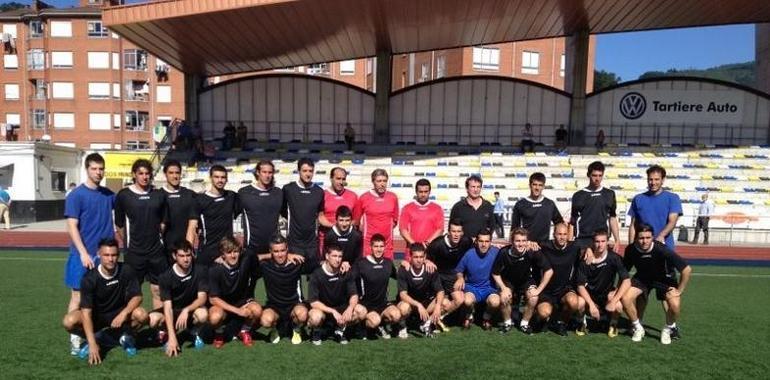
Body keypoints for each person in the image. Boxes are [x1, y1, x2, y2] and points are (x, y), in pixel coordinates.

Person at [62, 239, 148, 365]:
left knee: (142, 315)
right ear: (99, 254)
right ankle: (93, 339)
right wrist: (92, 344)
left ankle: (127, 336)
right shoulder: (89, 279)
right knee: (68, 321)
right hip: (97, 316)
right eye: (106, 255)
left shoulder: (126, 270)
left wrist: (124, 313)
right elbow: (86, 313)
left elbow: (137, 297)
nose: (110, 259)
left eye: (114, 255)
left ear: (118, 255)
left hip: (119, 314)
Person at [64, 153, 116, 355]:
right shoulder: (76, 195)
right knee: (77, 297)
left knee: (104, 296)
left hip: (105, 256)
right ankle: (75, 337)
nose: (98, 172)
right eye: (94, 168)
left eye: (101, 168)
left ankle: (102, 333)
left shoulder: (108, 195)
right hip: (81, 257)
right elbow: (72, 226)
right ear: (87, 169)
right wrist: (84, 253)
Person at [621, 224, 692, 344]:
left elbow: (686, 270)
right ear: (636, 238)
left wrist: (679, 290)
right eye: (641, 238)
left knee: (675, 305)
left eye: (648, 238)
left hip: (664, 279)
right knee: (626, 298)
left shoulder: (661, 249)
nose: (644, 241)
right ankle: (638, 327)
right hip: (643, 278)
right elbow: (624, 270)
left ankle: (667, 329)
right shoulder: (631, 249)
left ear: (653, 237)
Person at [114, 159, 168, 310]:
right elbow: (119, 224)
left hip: (156, 253)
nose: (144, 177)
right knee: (132, 293)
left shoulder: (159, 195)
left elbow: (163, 222)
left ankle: (160, 330)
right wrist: (130, 242)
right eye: (141, 173)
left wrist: (155, 237)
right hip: (134, 253)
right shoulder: (124, 195)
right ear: (134, 175)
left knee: (158, 290)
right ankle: (129, 330)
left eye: (147, 174)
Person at [148, 240, 209, 356]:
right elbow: (167, 308)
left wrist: (186, 310)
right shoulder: (165, 277)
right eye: (181, 256)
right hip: (173, 311)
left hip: (190, 310)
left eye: (188, 255)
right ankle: (167, 333)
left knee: (203, 315)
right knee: (152, 319)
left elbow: (202, 298)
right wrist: (172, 337)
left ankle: (193, 332)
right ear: (174, 256)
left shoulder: (200, 270)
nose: (186, 259)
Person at [492, 228, 553, 334]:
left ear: (527, 241)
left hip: (526, 281)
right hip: (509, 281)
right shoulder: (504, 252)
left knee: (534, 298)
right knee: (504, 297)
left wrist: (538, 290)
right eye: (517, 241)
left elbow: (549, 271)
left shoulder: (532, 251)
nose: (521, 244)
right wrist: (503, 287)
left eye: (524, 241)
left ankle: (524, 323)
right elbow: (495, 273)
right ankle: (507, 322)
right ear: (511, 241)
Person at [207, 236, 262, 348]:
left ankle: (244, 331)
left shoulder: (246, 260)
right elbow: (213, 299)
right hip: (222, 304)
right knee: (214, 317)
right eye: (229, 252)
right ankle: (219, 333)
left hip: (242, 301)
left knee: (257, 310)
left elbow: (252, 254)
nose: (233, 255)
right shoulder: (215, 270)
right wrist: (237, 311)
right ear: (222, 254)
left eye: (236, 251)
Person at [574, 229, 631, 338]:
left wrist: (614, 301)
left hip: (606, 296)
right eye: (597, 241)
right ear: (593, 242)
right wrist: (591, 304)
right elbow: (580, 286)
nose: (600, 245)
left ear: (607, 242)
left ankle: (613, 324)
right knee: (580, 302)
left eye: (603, 241)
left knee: (618, 305)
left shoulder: (614, 258)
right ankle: (582, 322)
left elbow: (627, 281)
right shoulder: (585, 260)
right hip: (589, 296)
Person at [307, 244, 367, 345]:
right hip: (324, 310)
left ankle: (339, 330)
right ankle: (317, 331)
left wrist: (350, 308)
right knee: (315, 317)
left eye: (340, 256)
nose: (337, 260)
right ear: (327, 256)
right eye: (334, 256)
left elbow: (354, 295)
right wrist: (332, 311)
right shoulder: (316, 274)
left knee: (362, 311)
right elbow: (313, 302)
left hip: (341, 309)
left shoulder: (346, 272)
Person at [258, 235, 310, 345]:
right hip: (274, 306)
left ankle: (296, 330)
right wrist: (269, 256)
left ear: (287, 250)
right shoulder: (265, 265)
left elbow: (316, 262)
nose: (280, 254)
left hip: (294, 305)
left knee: (303, 314)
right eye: (276, 251)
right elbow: (249, 258)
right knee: (265, 321)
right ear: (270, 251)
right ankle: (274, 330)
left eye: (283, 250)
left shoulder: (297, 263)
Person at [352, 234, 402, 339]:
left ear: (385, 247)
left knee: (396, 315)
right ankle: (361, 326)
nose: (378, 249)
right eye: (376, 246)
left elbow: (400, 277)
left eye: (381, 246)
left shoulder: (388, 263)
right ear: (370, 247)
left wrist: (406, 265)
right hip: (365, 305)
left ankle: (382, 325)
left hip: (382, 303)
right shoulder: (361, 263)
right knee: (374, 322)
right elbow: (349, 281)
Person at [189, 165, 241, 266]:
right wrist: (189, 249)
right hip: (206, 251)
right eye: (216, 177)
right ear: (211, 178)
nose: (220, 180)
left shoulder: (232, 196)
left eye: (223, 177)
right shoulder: (199, 200)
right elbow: (191, 227)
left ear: (226, 179)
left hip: (227, 251)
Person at [536, 223, 581, 336]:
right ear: (554, 234)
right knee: (544, 312)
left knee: (574, 302)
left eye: (565, 234)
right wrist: (530, 243)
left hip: (564, 289)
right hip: (547, 290)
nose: (562, 237)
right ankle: (542, 320)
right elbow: (533, 244)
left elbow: (588, 244)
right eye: (559, 234)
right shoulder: (545, 245)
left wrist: (589, 250)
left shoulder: (574, 247)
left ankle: (561, 323)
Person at [425, 218, 472, 324]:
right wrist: (427, 261)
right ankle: (419, 317)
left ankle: (433, 320)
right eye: (453, 231)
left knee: (459, 299)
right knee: (438, 303)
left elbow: (476, 249)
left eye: (459, 231)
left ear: (462, 232)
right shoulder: (437, 244)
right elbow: (424, 256)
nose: (456, 234)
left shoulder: (466, 241)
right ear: (449, 231)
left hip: (454, 276)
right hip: (438, 276)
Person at [282, 157, 325, 270]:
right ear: (298, 171)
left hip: (312, 244)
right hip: (294, 243)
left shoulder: (319, 191)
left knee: (313, 278)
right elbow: (282, 211)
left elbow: (320, 215)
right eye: (304, 171)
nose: (308, 174)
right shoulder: (288, 189)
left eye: (310, 171)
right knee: (294, 277)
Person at [628, 165, 683, 250]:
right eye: (650, 179)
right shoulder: (638, 199)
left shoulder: (673, 198)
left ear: (663, 180)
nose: (653, 183)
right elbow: (633, 226)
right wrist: (630, 247)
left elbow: (672, 221)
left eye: (656, 179)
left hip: (665, 247)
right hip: (642, 247)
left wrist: (660, 237)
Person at [455, 229, 501, 330]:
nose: (483, 244)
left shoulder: (497, 253)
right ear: (476, 241)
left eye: (486, 241)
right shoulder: (469, 254)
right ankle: (469, 315)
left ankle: (486, 318)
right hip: (472, 288)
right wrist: (460, 277)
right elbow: (459, 270)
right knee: (467, 301)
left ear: (490, 242)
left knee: (495, 302)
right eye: (481, 241)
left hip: (489, 288)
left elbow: (509, 253)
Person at [397, 244, 446, 338]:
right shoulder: (404, 270)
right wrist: (418, 305)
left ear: (425, 257)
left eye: (421, 257)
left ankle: (426, 323)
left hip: (426, 304)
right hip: (411, 304)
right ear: (410, 257)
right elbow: (402, 295)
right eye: (415, 257)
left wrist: (437, 306)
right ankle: (402, 326)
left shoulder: (430, 269)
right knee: (403, 307)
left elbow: (440, 291)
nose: (419, 260)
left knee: (445, 303)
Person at [570, 161, 620, 250]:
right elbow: (573, 221)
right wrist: (570, 242)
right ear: (588, 175)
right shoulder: (578, 195)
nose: (597, 179)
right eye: (594, 175)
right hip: (582, 240)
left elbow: (612, 218)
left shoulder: (609, 194)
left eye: (600, 175)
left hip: (602, 239)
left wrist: (617, 240)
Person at [239, 160, 283, 257]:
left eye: (270, 172)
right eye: (264, 172)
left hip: (274, 247)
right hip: (252, 247)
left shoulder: (278, 193)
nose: (267, 175)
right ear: (258, 173)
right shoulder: (244, 193)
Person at [355, 169, 399, 259]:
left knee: (387, 271)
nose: (382, 184)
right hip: (369, 243)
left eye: (384, 181)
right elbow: (357, 222)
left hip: (387, 243)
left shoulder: (393, 197)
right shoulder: (364, 198)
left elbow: (394, 221)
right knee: (368, 270)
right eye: (379, 181)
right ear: (373, 181)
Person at [511, 172, 564, 246]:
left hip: (545, 247)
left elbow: (560, 224)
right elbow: (514, 229)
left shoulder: (549, 204)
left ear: (543, 187)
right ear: (530, 185)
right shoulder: (520, 204)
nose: (537, 188)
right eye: (534, 184)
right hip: (527, 246)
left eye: (540, 185)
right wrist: (525, 242)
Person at [399, 179, 444, 262]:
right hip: (412, 251)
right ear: (416, 192)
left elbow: (440, 229)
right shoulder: (407, 208)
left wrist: (427, 243)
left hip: (431, 251)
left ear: (429, 192)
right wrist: (414, 244)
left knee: (430, 273)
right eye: (420, 192)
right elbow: (403, 229)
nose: (423, 194)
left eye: (426, 191)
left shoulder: (437, 208)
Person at [160, 160, 199, 253]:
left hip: (184, 249)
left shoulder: (190, 195)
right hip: (163, 249)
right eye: (171, 173)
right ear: (165, 174)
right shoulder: (158, 195)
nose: (175, 176)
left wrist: (188, 248)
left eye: (177, 173)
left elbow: (192, 226)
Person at [318, 167, 358, 255]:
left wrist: (344, 227)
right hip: (327, 239)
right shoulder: (322, 195)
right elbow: (320, 217)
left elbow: (356, 219)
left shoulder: (353, 196)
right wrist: (335, 227)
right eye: (338, 178)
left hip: (347, 241)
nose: (341, 182)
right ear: (331, 178)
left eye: (343, 179)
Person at [449, 174, 495, 239]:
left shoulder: (488, 206)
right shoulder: (458, 207)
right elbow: (451, 228)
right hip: (463, 247)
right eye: (473, 187)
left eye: (478, 187)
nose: (476, 190)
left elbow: (491, 226)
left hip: (482, 247)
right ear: (467, 189)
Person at [324, 205, 363, 273]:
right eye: (341, 220)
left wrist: (349, 266)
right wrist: (339, 264)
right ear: (336, 220)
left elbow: (358, 258)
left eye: (347, 220)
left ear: (351, 221)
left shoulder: (356, 236)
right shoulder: (330, 235)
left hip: (351, 268)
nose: (344, 224)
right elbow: (325, 257)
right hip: (334, 269)